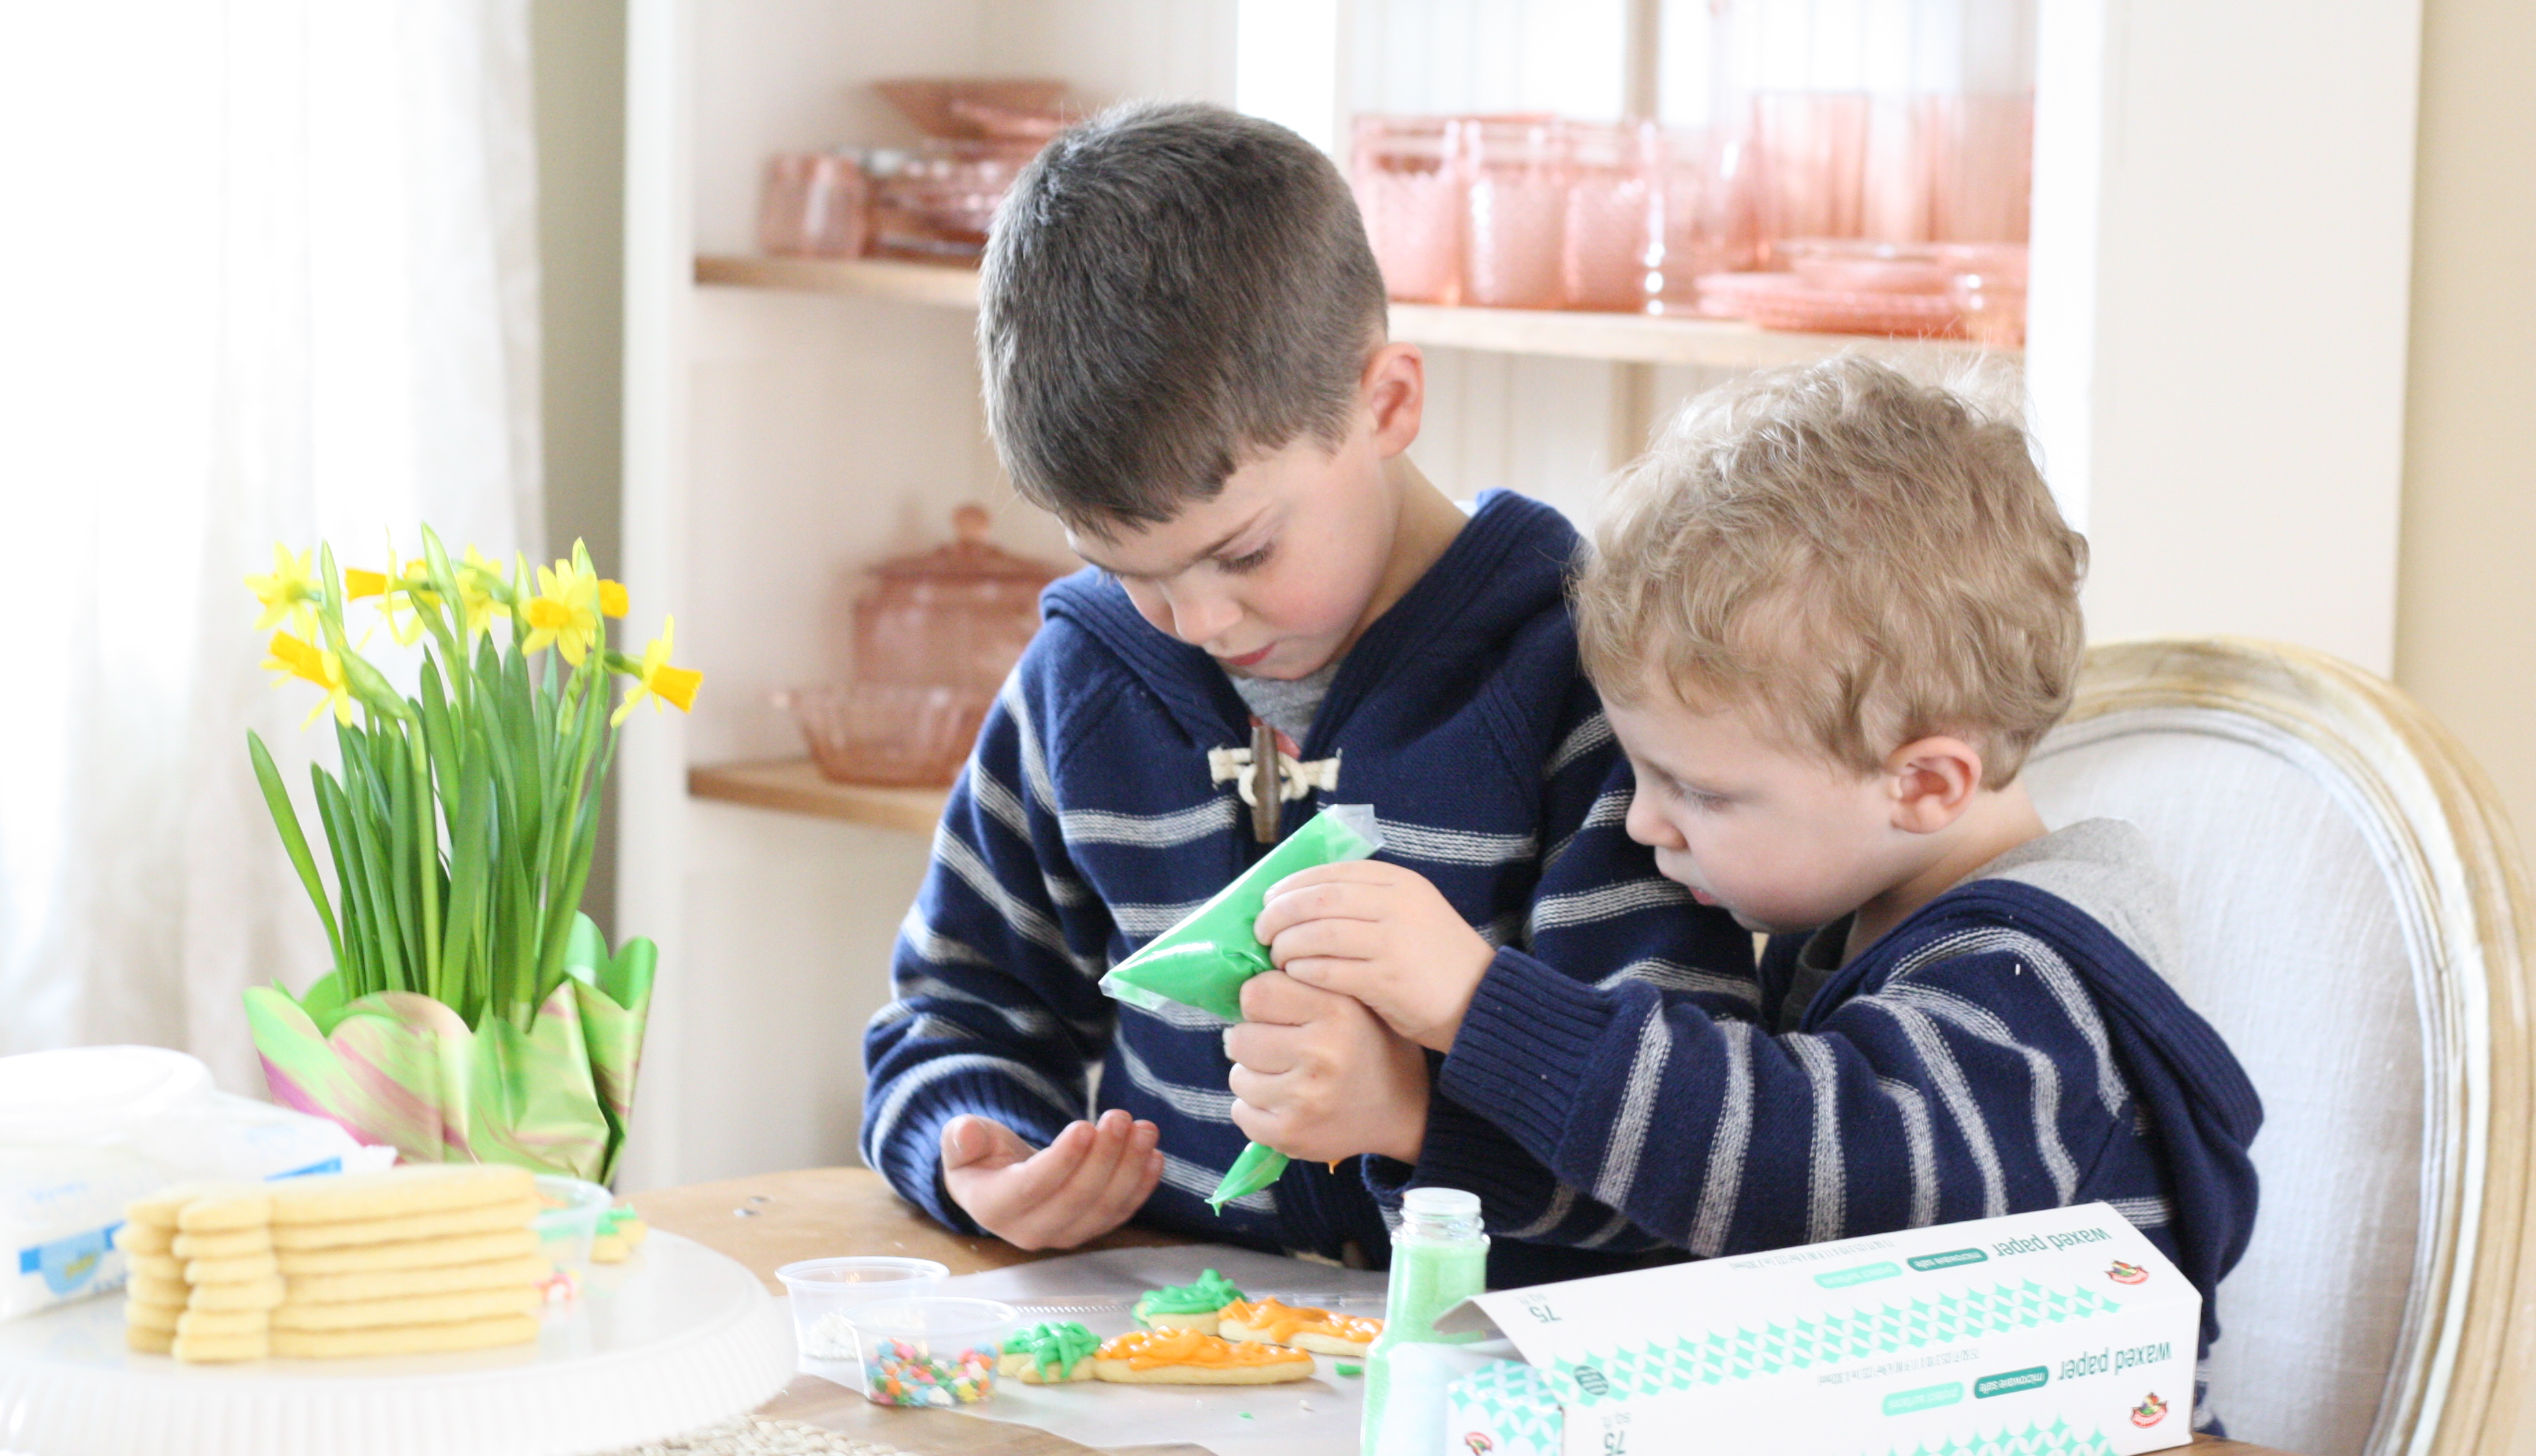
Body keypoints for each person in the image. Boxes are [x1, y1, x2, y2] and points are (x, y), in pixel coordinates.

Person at [859, 102, 1754, 1282]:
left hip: (1493, 1371)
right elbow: (956, 1007)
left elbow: (1690, 1143)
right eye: (1127, 571)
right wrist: (973, 1148)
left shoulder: (1592, 682)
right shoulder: (1082, 677)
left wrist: (1423, 1122)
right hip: (1184, 1343)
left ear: (1385, 403)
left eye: (1243, 555)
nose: (1199, 624)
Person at [1240, 355, 2261, 1363]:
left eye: (1704, 793)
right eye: (1644, 774)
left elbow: (1812, 1175)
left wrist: (1481, 1008)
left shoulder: (2033, 991)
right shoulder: (1856, 919)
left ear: (1926, 785)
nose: (1646, 824)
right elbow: (1703, 1200)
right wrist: (1422, 1123)